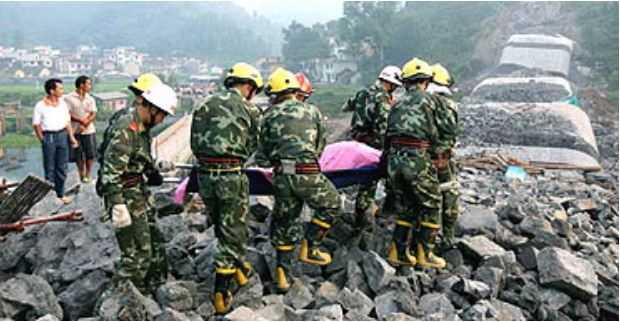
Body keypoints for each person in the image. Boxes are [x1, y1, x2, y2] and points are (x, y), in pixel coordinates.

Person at [256, 67, 341, 294]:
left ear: (275, 94)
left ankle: (282, 276)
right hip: (308, 173)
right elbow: (320, 147)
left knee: (285, 222)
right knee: (332, 204)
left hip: (282, 176)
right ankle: (311, 245)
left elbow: (262, 156)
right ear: (295, 90)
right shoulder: (312, 112)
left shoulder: (268, 116)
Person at [190, 62, 263, 316]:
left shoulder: (203, 105)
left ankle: (241, 269)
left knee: (222, 225)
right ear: (249, 86)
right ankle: (221, 290)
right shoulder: (249, 109)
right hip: (231, 175)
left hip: (204, 175)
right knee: (234, 229)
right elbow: (254, 144)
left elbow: (194, 141)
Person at [97, 81, 177, 297]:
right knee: (136, 253)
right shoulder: (126, 129)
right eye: (162, 115)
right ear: (152, 108)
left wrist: (154, 169)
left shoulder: (141, 128)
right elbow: (110, 172)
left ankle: (144, 292)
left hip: (137, 191)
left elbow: (139, 157)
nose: (162, 120)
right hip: (124, 194)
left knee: (153, 242)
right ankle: (119, 300)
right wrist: (118, 204)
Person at [384, 58, 445, 270]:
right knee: (432, 203)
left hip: (394, 160)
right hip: (416, 159)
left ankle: (398, 251)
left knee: (406, 206)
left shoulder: (396, 102)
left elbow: (387, 135)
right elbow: (443, 134)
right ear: (426, 81)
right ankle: (425, 254)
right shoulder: (432, 101)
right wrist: (439, 154)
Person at [342, 66, 402, 233]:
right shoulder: (382, 98)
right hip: (374, 145)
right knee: (384, 180)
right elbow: (383, 127)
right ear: (390, 84)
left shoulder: (363, 93)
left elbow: (346, 107)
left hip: (357, 141)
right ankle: (379, 218)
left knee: (365, 182)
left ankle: (359, 218)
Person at [428, 63, 461, 251]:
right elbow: (452, 133)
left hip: (418, 158)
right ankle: (447, 237)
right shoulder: (448, 105)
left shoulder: (415, 103)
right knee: (449, 192)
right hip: (442, 159)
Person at [32, 78, 79, 204]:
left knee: (62, 167)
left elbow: (67, 122)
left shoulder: (63, 104)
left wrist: (72, 137)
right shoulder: (40, 106)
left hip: (62, 135)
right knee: (50, 168)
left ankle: (61, 193)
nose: (62, 91)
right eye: (60, 88)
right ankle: (50, 197)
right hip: (49, 136)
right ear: (52, 91)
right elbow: (36, 125)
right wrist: (43, 140)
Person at [65, 75, 97, 183]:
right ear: (81, 85)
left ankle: (88, 173)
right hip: (75, 130)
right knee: (78, 154)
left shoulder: (90, 98)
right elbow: (67, 114)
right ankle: (81, 173)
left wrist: (86, 123)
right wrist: (79, 121)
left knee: (90, 154)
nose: (90, 86)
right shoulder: (69, 98)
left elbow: (93, 113)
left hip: (89, 130)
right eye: (88, 84)